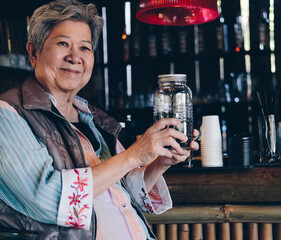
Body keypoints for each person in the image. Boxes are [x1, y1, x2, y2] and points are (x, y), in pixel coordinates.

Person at [0, 0, 199, 239]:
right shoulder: (8, 114)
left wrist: (159, 163)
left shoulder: (95, 119)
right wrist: (133, 155)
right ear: (34, 52)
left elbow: (119, 193)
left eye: (85, 48)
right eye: (63, 43)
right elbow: (49, 199)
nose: (75, 57)